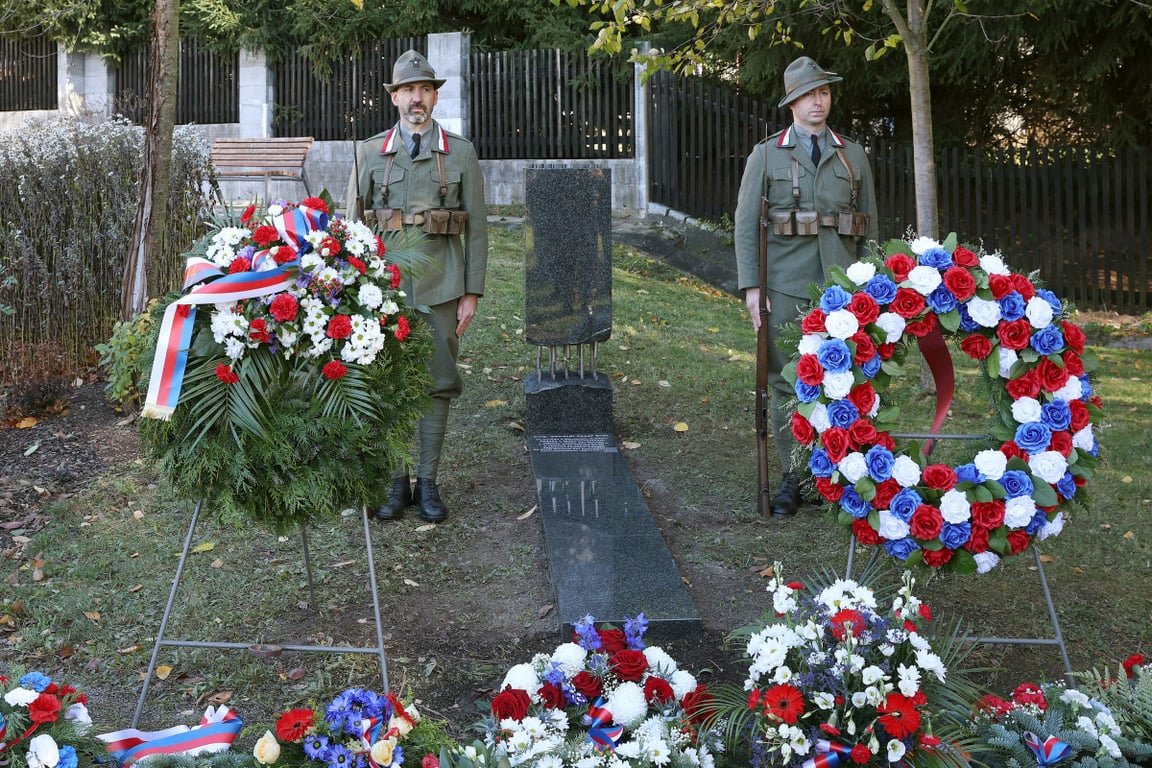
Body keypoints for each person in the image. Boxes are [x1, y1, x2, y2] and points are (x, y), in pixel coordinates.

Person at [346, 49, 489, 523]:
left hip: (441, 285)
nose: (417, 99)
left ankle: (426, 481)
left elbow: (480, 230)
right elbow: (351, 227)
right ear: (394, 98)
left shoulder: (460, 152)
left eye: (425, 89)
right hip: (379, 290)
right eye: (408, 90)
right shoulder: (369, 152)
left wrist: (470, 292)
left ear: (433, 97)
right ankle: (394, 481)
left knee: (436, 383)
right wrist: (348, 290)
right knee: (384, 380)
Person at [734, 56, 878, 517]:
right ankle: (792, 476)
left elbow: (868, 226)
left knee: (844, 382)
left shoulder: (852, 154)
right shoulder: (767, 154)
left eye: (825, 92)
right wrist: (753, 288)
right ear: (792, 102)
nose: (819, 101)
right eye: (809, 94)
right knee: (784, 383)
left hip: (843, 289)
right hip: (787, 288)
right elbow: (744, 225)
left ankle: (837, 473)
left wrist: (872, 288)